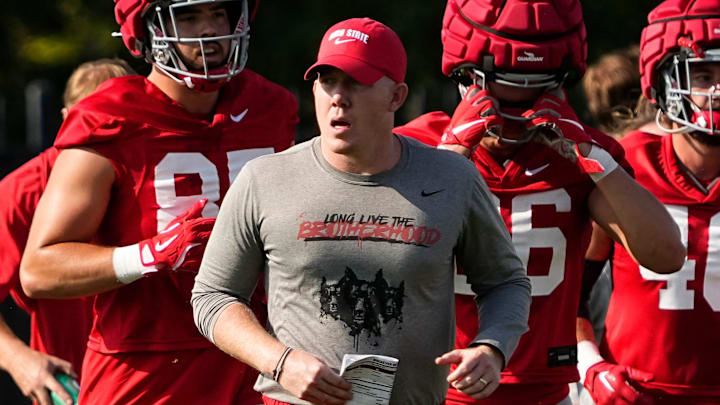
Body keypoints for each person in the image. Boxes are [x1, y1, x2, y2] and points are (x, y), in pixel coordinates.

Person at [192, 17, 531, 405]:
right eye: (327, 81)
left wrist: (491, 349)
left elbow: (505, 282)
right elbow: (213, 297)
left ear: (397, 97)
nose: (338, 96)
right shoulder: (264, 178)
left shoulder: (453, 178)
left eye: (356, 81)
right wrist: (279, 362)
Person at [394, 0, 685, 404]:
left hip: (545, 392)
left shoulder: (582, 156)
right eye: (505, 82)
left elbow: (667, 254)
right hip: (435, 388)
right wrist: (452, 156)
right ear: (468, 77)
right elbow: (392, 259)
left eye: (539, 83)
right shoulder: (419, 145)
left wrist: (595, 159)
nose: (523, 100)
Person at [19, 0, 298, 404]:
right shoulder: (111, 117)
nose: (209, 30)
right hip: (147, 364)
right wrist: (147, 255)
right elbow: (40, 268)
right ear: (144, 31)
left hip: (256, 354)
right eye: (188, 17)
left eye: (218, 13)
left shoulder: (271, 108)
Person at [576, 1, 720, 403]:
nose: (717, 91)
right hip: (634, 394)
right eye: (702, 75)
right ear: (664, 80)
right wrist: (590, 365)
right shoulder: (625, 165)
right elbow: (568, 294)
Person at [0, 57, 134, 405]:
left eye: (119, 121)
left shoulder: (165, 173)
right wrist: (18, 359)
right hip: (75, 390)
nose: (104, 136)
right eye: (91, 121)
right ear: (65, 121)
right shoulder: (22, 190)